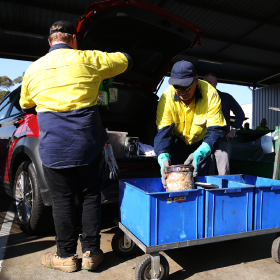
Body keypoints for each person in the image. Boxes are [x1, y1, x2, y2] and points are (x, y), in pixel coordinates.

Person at [20, 20, 132, 272]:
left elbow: (26, 102)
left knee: (62, 200)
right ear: (73, 39)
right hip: (87, 144)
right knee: (91, 195)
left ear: (49, 41)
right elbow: (125, 60)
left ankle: (66, 256)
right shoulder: (89, 58)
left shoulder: (33, 70)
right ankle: (92, 253)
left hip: (53, 147)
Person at [154, 61, 227, 186]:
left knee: (199, 183)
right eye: (177, 87)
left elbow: (215, 130)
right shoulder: (167, 97)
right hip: (177, 145)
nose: (182, 92)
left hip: (201, 145)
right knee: (176, 184)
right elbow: (163, 133)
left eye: (186, 86)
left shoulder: (210, 94)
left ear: (196, 79)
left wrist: (202, 152)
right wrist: (162, 157)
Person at [204, 73, 245, 175]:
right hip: (205, 141)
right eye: (204, 83)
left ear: (215, 83)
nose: (206, 85)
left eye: (209, 82)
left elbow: (240, 114)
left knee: (223, 173)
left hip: (222, 140)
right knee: (207, 173)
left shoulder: (225, 97)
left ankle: (224, 191)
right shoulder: (200, 99)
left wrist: (233, 129)